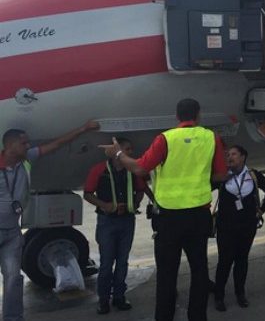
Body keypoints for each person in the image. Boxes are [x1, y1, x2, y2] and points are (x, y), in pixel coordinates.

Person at [99, 98, 226, 321]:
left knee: (167, 275)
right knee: (199, 271)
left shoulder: (165, 139)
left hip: (169, 218)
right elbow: (221, 175)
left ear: (177, 117)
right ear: (198, 115)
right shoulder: (211, 137)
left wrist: (118, 154)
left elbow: (139, 168)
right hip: (198, 215)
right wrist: (199, 181)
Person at [1, 120, 99, 321]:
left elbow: (55, 145)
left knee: (13, 278)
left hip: (11, 231)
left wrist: (83, 129)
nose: (28, 146)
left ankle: (13, 318)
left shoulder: (26, 159)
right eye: (24, 143)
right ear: (9, 146)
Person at [83, 137, 146, 314]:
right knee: (106, 262)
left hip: (127, 220)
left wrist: (134, 204)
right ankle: (103, 299)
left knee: (122, 261)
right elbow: (87, 194)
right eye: (127, 149)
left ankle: (119, 296)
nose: (131, 152)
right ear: (115, 150)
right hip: (107, 221)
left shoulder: (131, 170)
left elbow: (141, 189)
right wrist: (105, 206)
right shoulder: (99, 170)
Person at [213, 145, 265, 312]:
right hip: (226, 228)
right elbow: (203, 190)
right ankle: (219, 296)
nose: (229, 157)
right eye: (228, 155)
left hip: (247, 227)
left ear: (243, 157)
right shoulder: (223, 176)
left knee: (242, 260)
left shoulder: (252, 175)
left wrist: (262, 210)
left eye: (233, 154)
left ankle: (240, 294)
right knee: (224, 262)